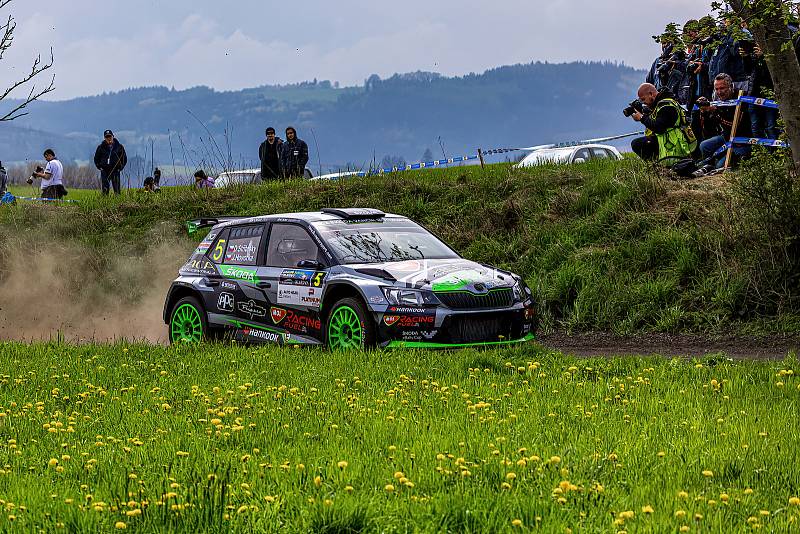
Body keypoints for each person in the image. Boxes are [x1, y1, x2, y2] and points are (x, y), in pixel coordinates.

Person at [695, 73, 753, 174]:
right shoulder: (716, 99)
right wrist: (705, 113)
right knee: (704, 145)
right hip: (726, 138)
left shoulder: (741, 97)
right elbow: (709, 131)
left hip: (743, 141)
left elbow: (737, 125)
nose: (719, 92)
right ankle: (710, 163)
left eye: (722, 88)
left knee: (720, 166)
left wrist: (716, 112)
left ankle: (725, 162)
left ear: (731, 87)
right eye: (716, 89)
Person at [629, 83, 697, 167]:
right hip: (671, 140)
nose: (643, 103)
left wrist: (642, 118)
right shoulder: (661, 103)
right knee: (640, 142)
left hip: (675, 145)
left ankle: (659, 167)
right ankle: (658, 166)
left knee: (637, 144)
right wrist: (641, 112)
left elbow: (658, 128)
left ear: (651, 94)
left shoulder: (666, 106)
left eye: (643, 99)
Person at [93, 130, 128, 195]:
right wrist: (100, 167)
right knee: (105, 189)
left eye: (110, 136)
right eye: (107, 137)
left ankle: (118, 203)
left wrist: (120, 168)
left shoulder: (119, 147)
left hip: (115, 171)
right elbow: (96, 159)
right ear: (104, 138)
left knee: (117, 190)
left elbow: (124, 159)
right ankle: (105, 203)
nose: (109, 138)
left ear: (113, 136)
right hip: (104, 171)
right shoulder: (100, 147)